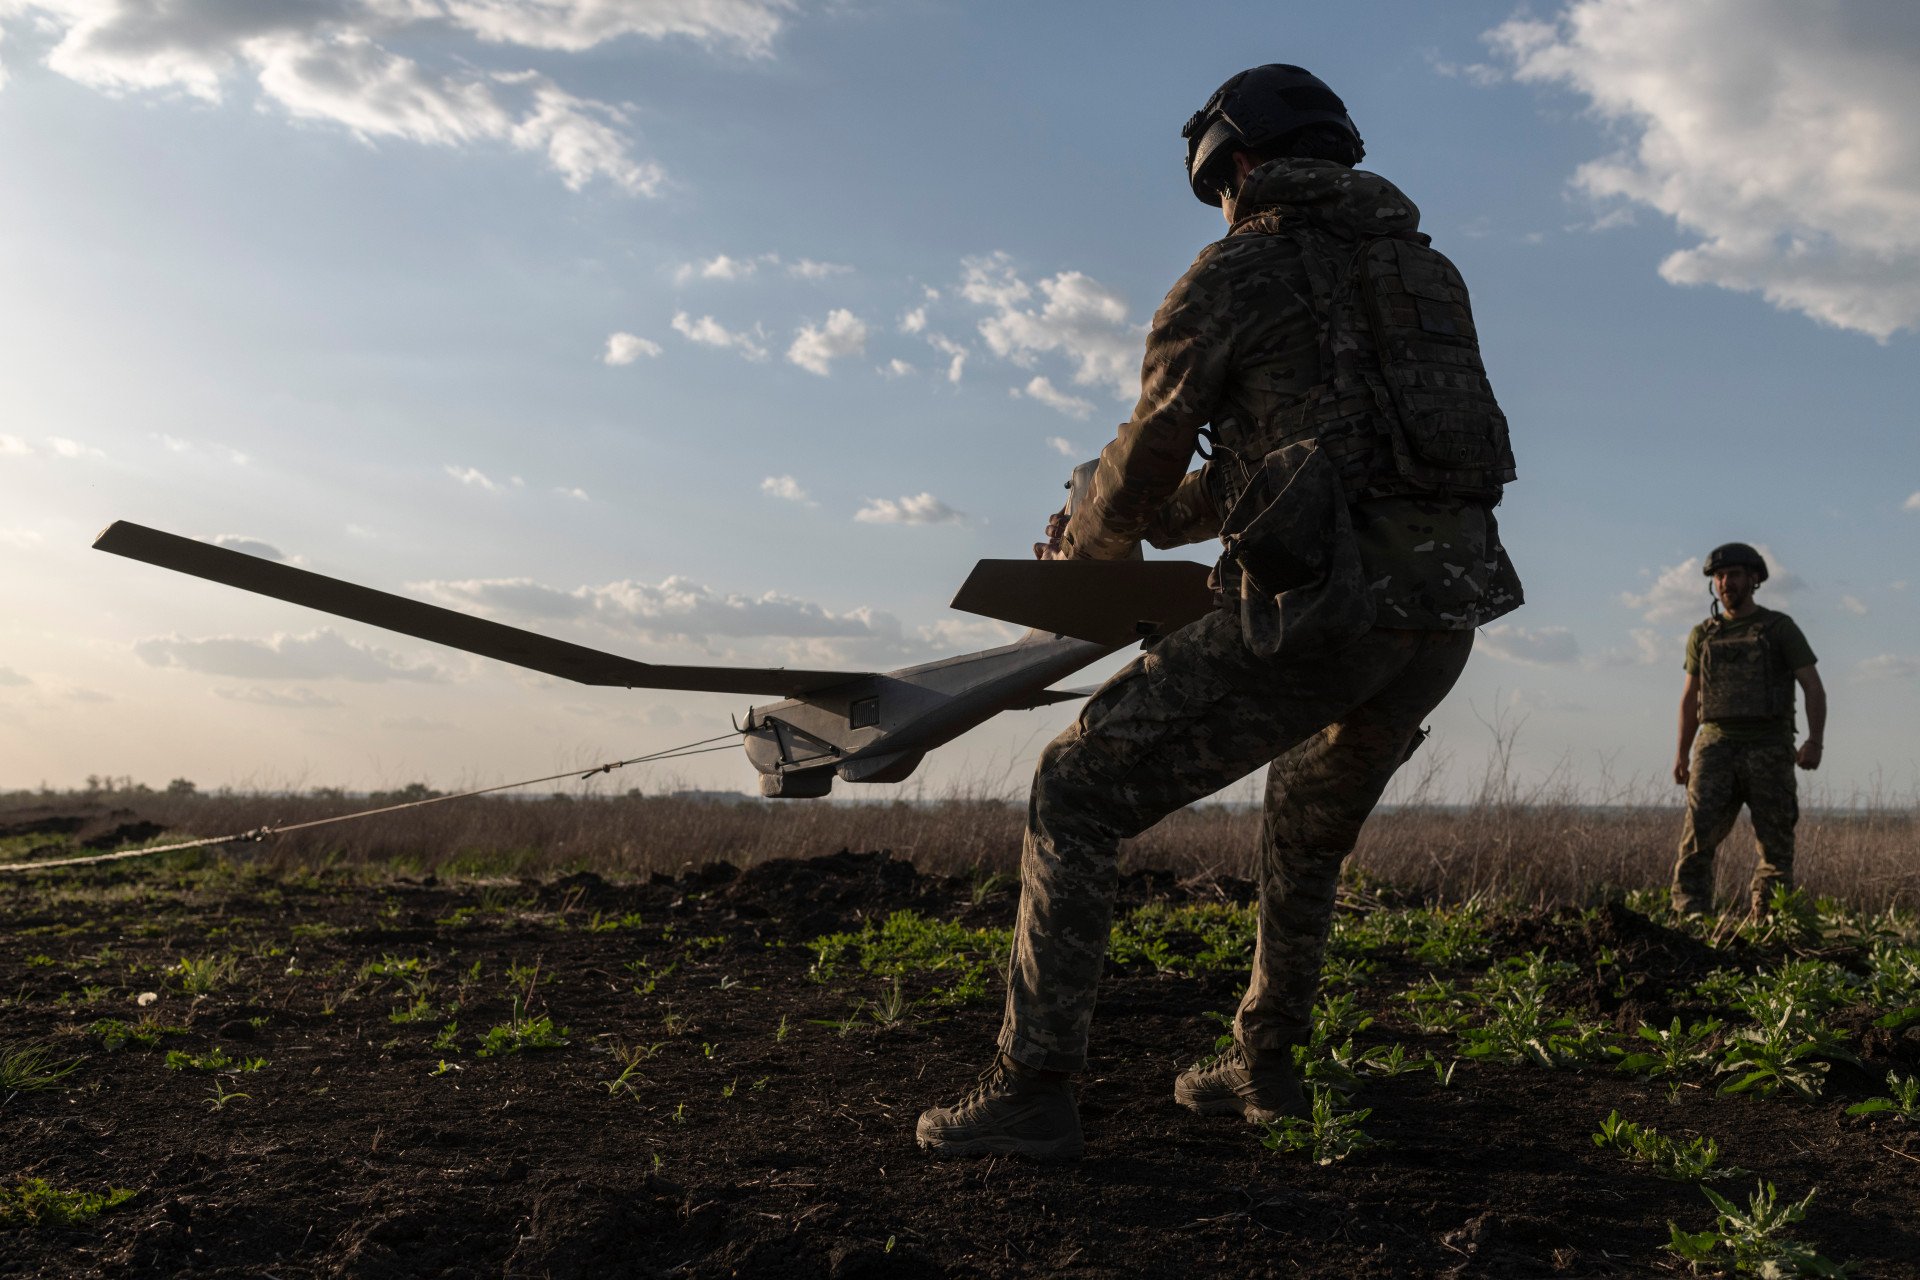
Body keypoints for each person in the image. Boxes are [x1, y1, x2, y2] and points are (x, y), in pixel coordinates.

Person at [915, 64, 1523, 1160]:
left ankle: (1033, 1084)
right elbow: (1325, 462)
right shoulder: (1429, 275)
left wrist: (1090, 547)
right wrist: (1152, 523)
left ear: (1236, 168)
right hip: (1443, 617)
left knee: (1077, 785)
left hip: (1318, 619)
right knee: (1303, 822)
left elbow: (1148, 454)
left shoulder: (1237, 270)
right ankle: (1267, 1062)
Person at [1670, 542, 1825, 917]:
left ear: (1754, 579)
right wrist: (1681, 753)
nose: (1726, 583)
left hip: (1769, 747)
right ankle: (1691, 920)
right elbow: (1690, 698)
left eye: (1735, 575)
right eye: (1720, 577)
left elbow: (1813, 686)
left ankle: (1769, 923)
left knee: (1776, 846)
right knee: (1695, 842)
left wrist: (1814, 742)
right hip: (1715, 747)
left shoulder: (1779, 629)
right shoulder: (1702, 635)